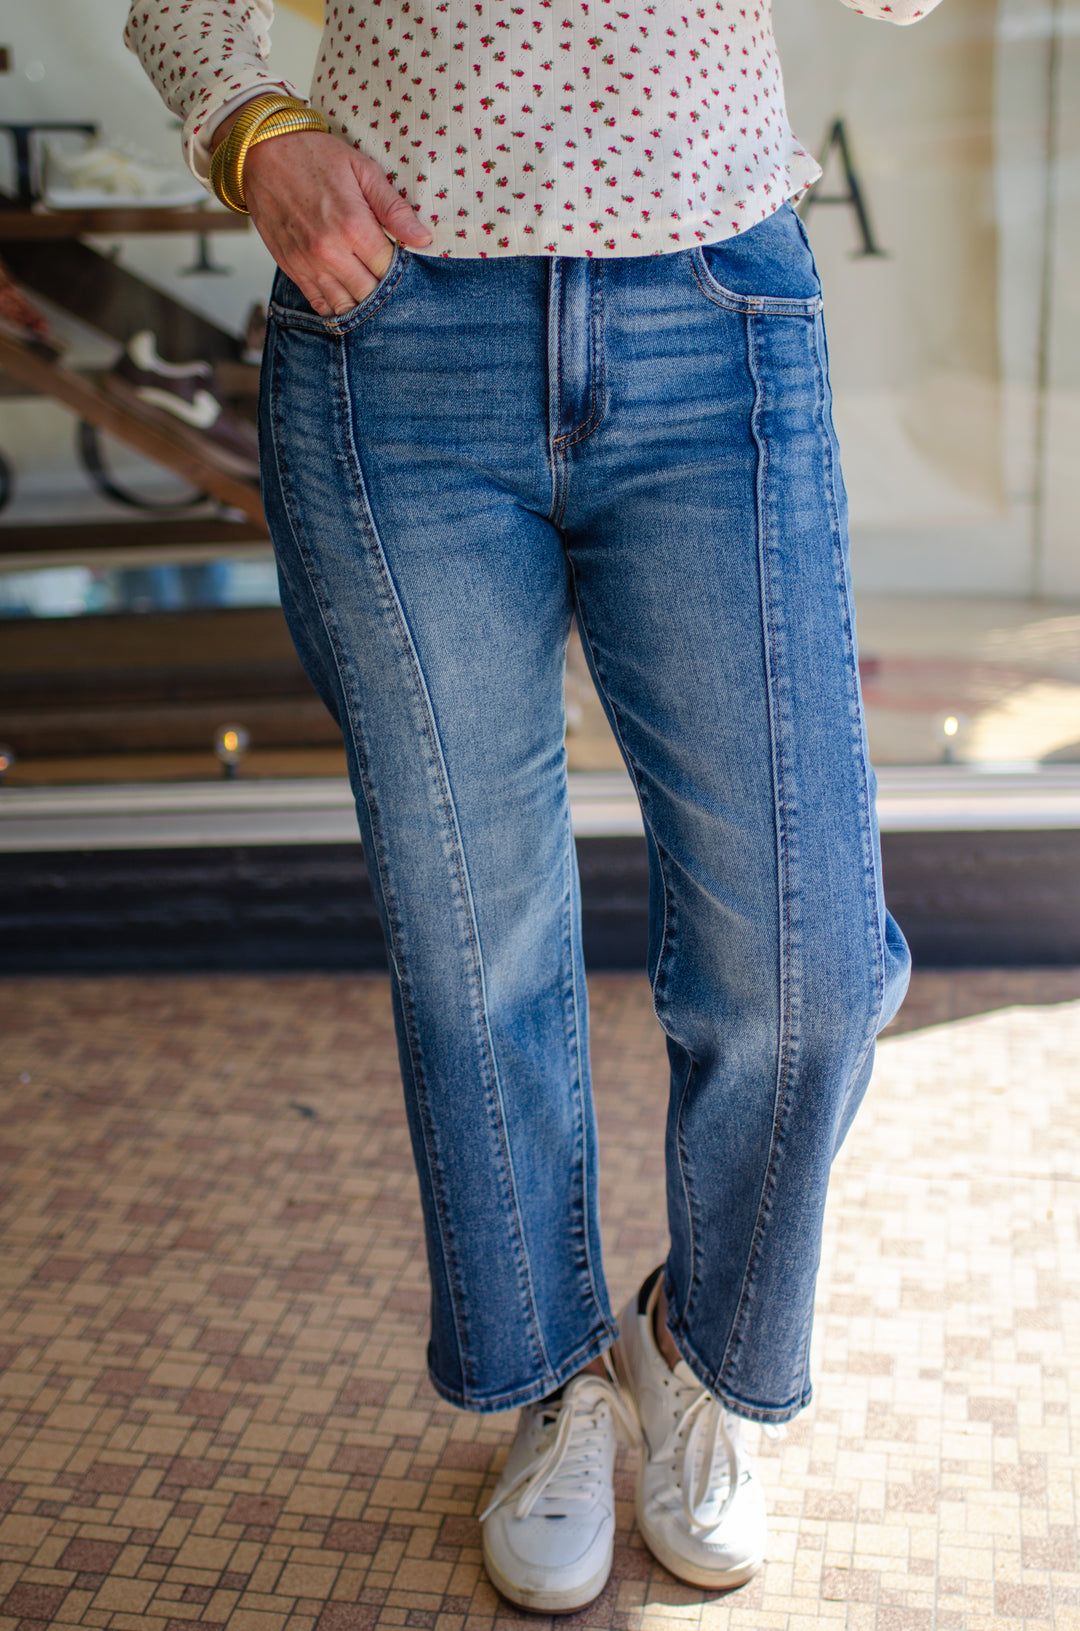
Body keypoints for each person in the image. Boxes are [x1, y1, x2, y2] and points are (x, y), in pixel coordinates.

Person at [127, 0, 934, 1610]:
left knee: (811, 968)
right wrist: (253, 129)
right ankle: (552, 1381)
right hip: (394, 325)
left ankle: (696, 1354)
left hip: (714, 312)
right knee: (471, 947)